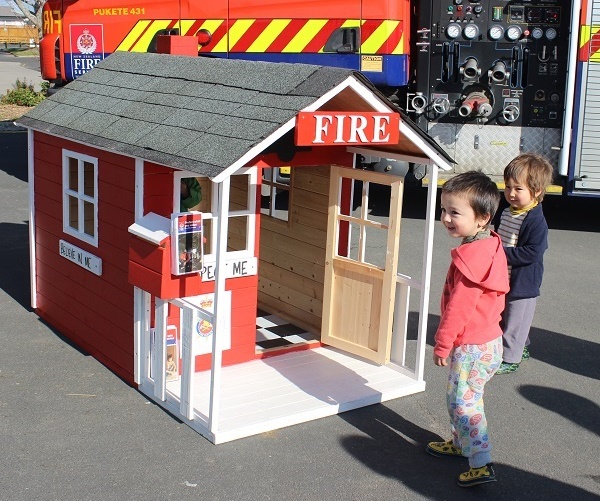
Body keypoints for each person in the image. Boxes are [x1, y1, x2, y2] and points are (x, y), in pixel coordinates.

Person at [426, 171, 509, 487]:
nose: (446, 218)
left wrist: (443, 343)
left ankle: (481, 462)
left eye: (454, 212)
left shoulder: (472, 259)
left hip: (473, 345)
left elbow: (460, 308)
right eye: (444, 210)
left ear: (482, 217)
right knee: (458, 397)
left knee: (465, 402)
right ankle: (462, 444)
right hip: (487, 341)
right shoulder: (487, 242)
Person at [494, 153, 554, 374]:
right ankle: (522, 345)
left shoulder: (536, 220)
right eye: (508, 186)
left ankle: (511, 358)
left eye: (518, 189)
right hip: (504, 275)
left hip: (523, 282)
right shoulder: (507, 211)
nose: (510, 193)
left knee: (515, 320)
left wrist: (501, 254)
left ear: (536, 191)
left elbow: (533, 253)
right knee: (506, 315)